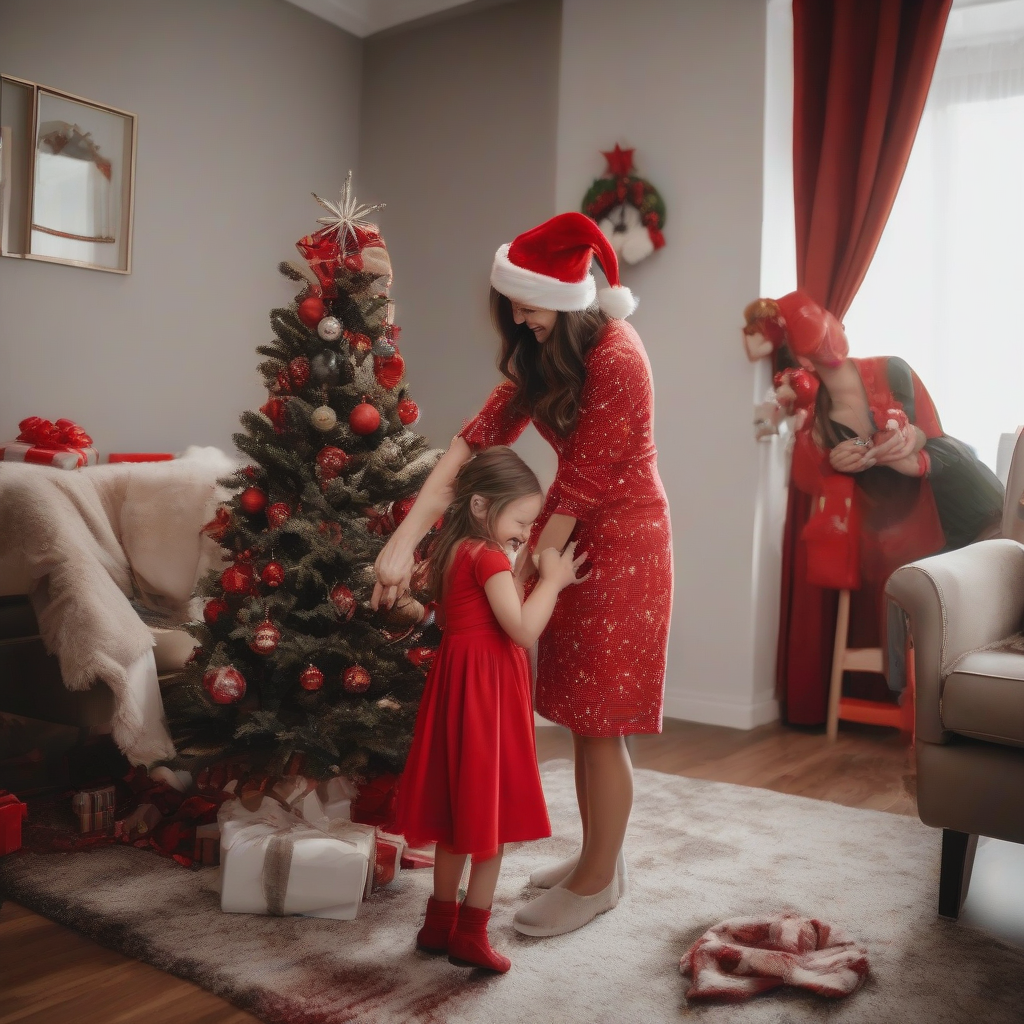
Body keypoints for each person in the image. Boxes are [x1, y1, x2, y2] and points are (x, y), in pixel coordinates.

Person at [374, 211, 673, 937]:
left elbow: (585, 484)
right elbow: (473, 442)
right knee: (577, 714)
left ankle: (598, 880)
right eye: (512, 306)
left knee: (603, 724)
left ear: (568, 304)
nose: (517, 319)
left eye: (528, 309)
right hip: (567, 544)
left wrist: (540, 567)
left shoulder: (618, 356)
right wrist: (404, 541)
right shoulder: (546, 354)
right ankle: (598, 859)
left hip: (621, 545)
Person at [743, 290, 1003, 718]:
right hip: (898, 529)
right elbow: (814, 479)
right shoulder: (817, 426)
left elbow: (931, 431)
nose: (827, 349)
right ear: (801, 363)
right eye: (812, 346)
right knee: (927, 590)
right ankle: (938, 711)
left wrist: (910, 444)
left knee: (965, 483)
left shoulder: (892, 369)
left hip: (950, 489)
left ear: (840, 327)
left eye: (825, 332)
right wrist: (835, 463)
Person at [394, 446, 587, 973]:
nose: (525, 532)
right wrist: (553, 580)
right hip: (486, 692)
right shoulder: (488, 557)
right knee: (488, 819)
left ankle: (438, 924)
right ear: (482, 504)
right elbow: (521, 629)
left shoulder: (453, 551)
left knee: (459, 814)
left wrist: (523, 563)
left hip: (458, 685)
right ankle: (471, 933)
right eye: (521, 520)